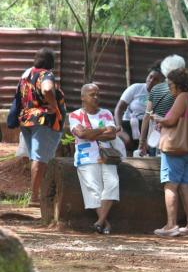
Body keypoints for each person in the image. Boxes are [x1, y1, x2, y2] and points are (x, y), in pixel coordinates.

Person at [152, 68, 188, 237]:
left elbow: (171, 120)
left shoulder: (182, 97)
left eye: (171, 85)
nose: (169, 88)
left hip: (177, 145)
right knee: (186, 185)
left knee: (171, 184)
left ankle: (171, 225)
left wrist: (157, 119)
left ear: (179, 85)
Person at [69, 84, 121, 234]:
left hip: (106, 156)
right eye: (92, 94)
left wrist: (91, 133)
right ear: (83, 97)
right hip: (86, 158)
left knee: (112, 183)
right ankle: (104, 222)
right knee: (94, 190)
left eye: (98, 94)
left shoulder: (106, 113)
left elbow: (112, 135)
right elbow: (82, 135)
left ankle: (99, 222)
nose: (96, 97)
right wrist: (103, 129)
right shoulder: (75, 115)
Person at [18, 48, 66, 207]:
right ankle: (34, 197)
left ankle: (38, 193)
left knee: (37, 157)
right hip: (44, 121)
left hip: (28, 120)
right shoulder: (46, 74)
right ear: (51, 63)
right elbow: (46, 89)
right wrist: (54, 106)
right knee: (39, 158)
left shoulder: (27, 73)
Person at [139, 55, 187, 157]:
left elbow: (147, 116)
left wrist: (142, 141)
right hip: (174, 137)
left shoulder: (156, 89)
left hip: (155, 135)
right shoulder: (182, 91)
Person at [114, 61, 164, 154]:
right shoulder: (136, 88)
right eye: (150, 77)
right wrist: (119, 127)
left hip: (148, 127)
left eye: (156, 79)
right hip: (128, 124)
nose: (151, 80)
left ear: (161, 83)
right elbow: (119, 108)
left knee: (150, 147)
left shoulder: (161, 96)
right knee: (126, 141)